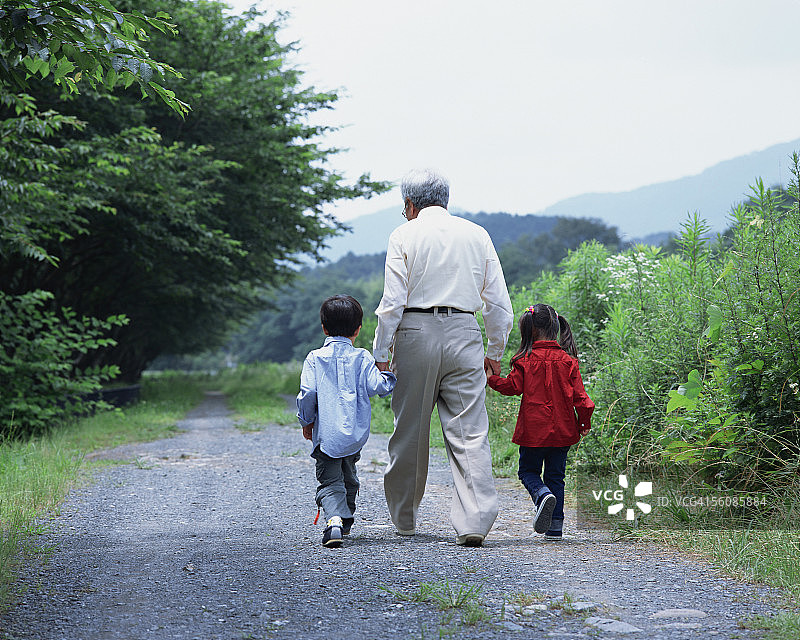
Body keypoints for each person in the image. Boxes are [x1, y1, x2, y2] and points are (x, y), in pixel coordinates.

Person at [373, 168, 514, 547]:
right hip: (465, 332)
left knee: (410, 431)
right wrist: (495, 351)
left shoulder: (403, 234)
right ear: (445, 200)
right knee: (470, 431)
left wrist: (381, 353)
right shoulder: (477, 234)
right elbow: (499, 303)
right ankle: (475, 521)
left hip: (415, 333)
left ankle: (404, 520)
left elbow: (392, 303)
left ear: (409, 205)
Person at [487, 303, 594, 540]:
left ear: (530, 331)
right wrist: (583, 423)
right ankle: (555, 527)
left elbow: (513, 387)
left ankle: (541, 494)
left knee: (528, 471)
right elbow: (583, 400)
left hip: (533, 431)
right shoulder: (569, 361)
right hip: (563, 431)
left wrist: (492, 379)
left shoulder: (524, 360)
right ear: (554, 326)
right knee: (556, 476)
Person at [297, 295, 396, 547]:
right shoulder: (362, 358)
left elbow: (308, 393)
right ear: (358, 329)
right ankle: (345, 520)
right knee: (349, 476)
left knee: (330, 480)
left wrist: (306, 421)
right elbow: (380, 387)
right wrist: (390, 371)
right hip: (354, 435)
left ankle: (334, 521)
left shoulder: (314, 358)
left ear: (324, 327)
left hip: (326, 435)